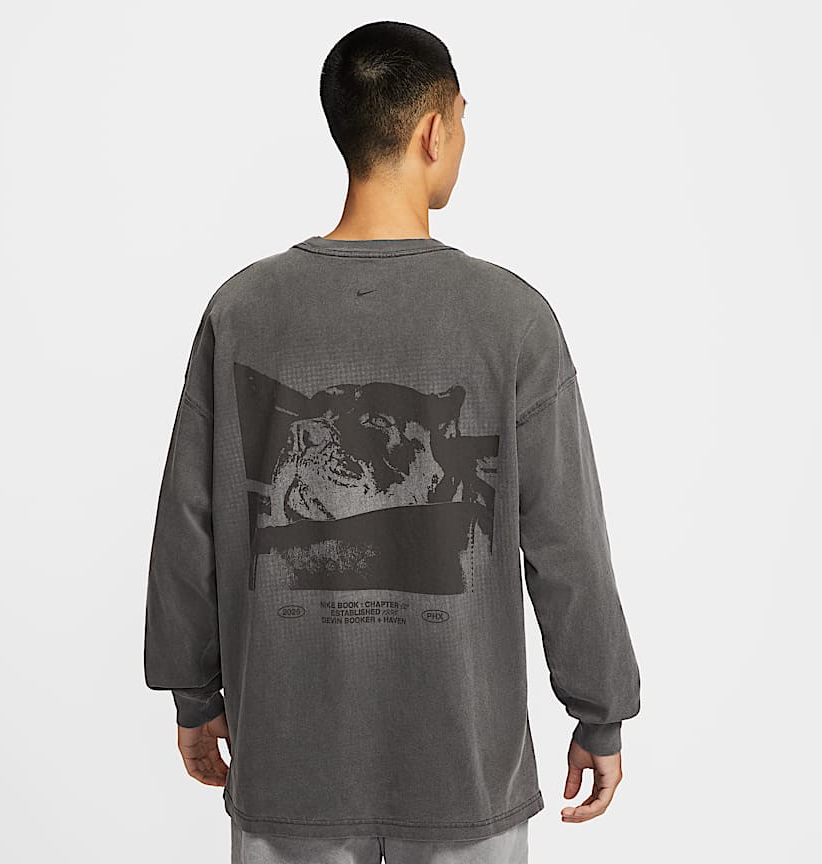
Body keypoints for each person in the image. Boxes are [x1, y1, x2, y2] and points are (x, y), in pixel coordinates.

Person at [143, 20, 641, 864]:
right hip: (464, 770)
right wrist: (600, 710)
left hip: (289, 762)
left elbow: (187, 528)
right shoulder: (512, 319)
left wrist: (193, 693)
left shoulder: (243, 310)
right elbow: (567, 541)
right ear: (434, 131)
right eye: (464, 121)